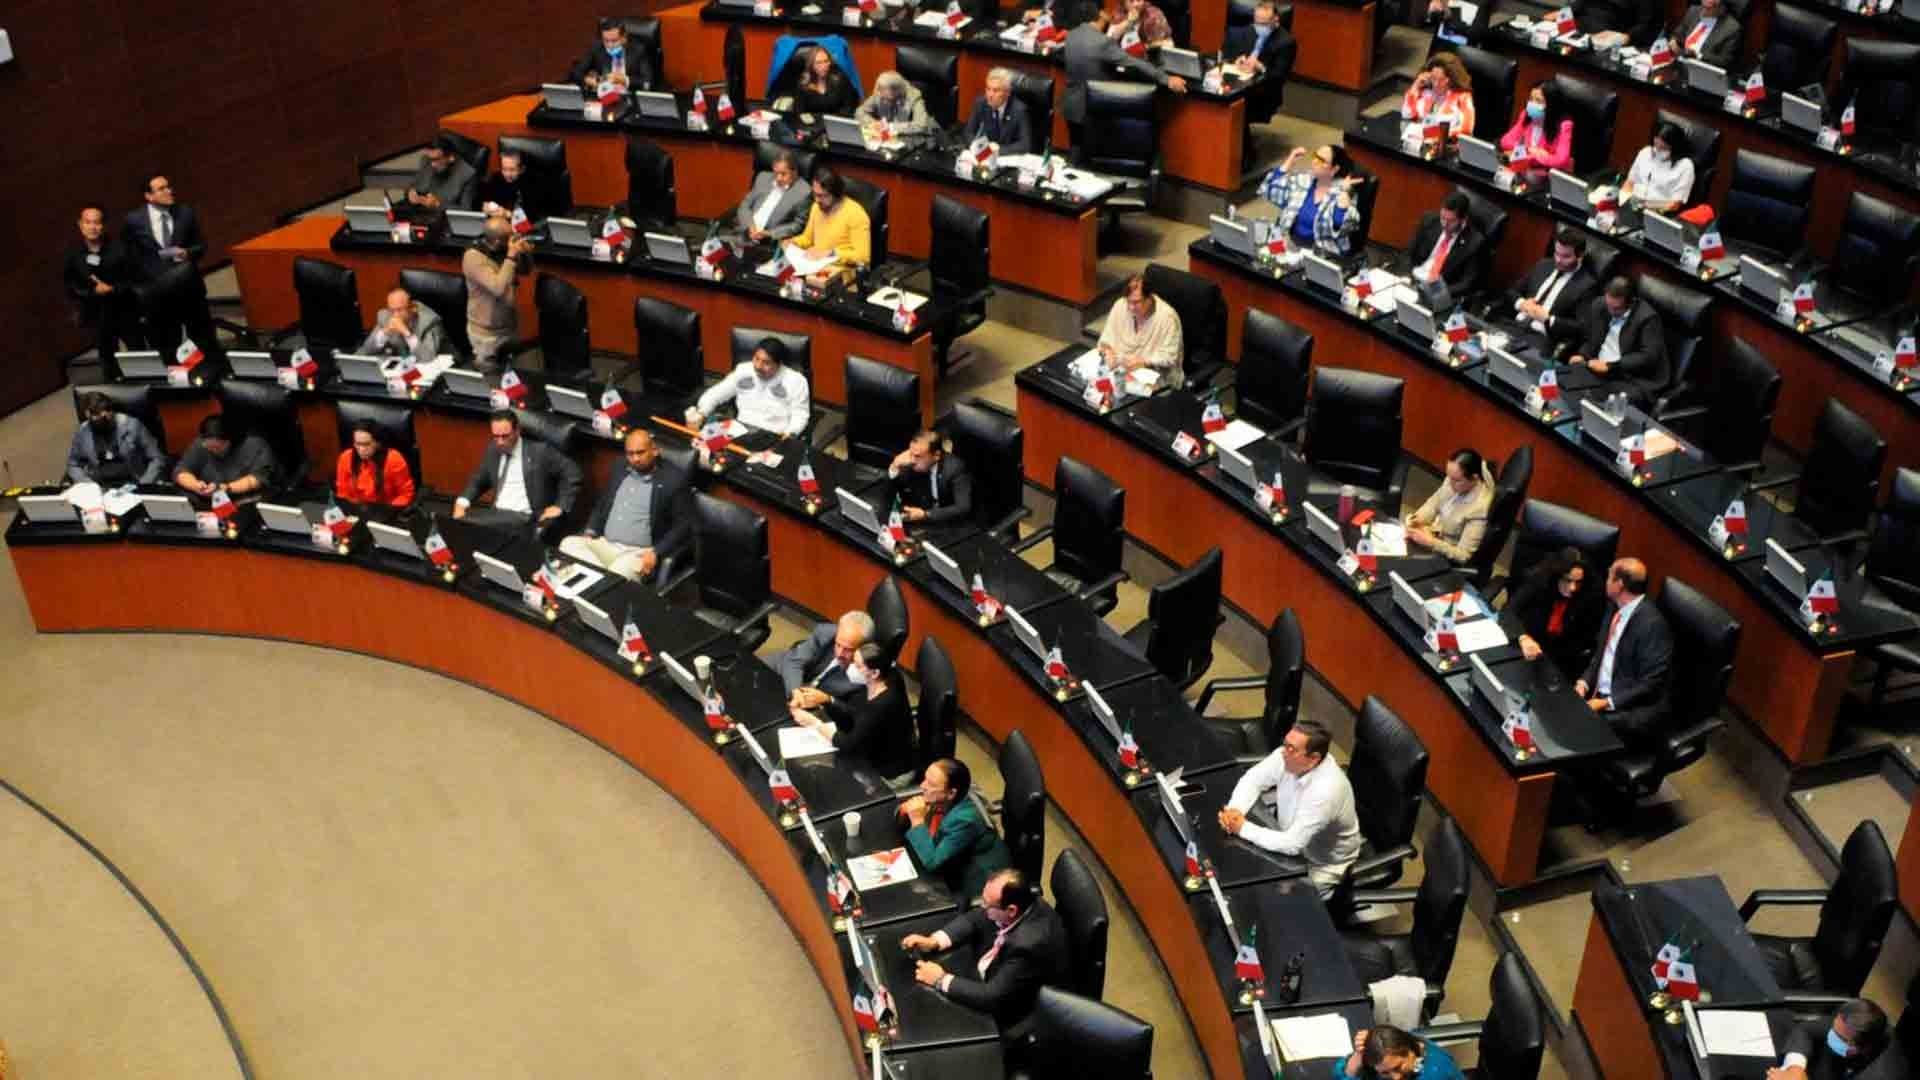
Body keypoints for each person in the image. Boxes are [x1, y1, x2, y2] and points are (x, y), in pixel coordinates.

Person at [901, 867, 1068, 1033]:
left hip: (1017, 1011)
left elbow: (992, 996)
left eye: (987, 905)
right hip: (993, 971)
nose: (982, 906)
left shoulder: (1029, 945)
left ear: (1011, 910)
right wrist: (934, 941)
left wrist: (940, 980)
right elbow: (975, 918)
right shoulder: (1024, 902)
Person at [1218, 720, 1363, 896]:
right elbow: (1253, 779)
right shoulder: (1286, 756)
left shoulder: (1326, 791)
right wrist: (1235, 811)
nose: (1283, 752)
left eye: (1292, 749)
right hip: (1287, 839)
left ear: (1313, 758)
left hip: (1319, 864)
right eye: (1285, 744)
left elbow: (1293, 844)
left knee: (1279, 899)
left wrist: (1242, 828)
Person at [559, 429, 690, 583]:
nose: (635, 459)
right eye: (630, 453)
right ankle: (601, 580)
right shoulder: (619, 467)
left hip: (637, 554)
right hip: (605, 544)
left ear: (654, 451)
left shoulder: (673, 479)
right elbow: (602, 503)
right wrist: (590, 530)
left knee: (615, 572)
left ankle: (597, 581)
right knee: (569, 544)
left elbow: (684, 525)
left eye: (640, 453)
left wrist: (656, 552)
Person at [1575, 558, 1674, 750]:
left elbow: (1650, 684)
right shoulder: (1615, 606)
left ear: (1619, 584)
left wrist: (1605, 703)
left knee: (1576, 733)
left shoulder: (1652, 626)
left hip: (1629, 710)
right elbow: (1602, 653)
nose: (1606, 580)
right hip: (1600, 695)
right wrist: (1584, 681)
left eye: (1609, 575)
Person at [1063, 9, 1187, 150]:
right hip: (1093, 111)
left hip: (1071, 108)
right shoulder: (1102, 43)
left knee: (1076, 150)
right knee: (1096, 155)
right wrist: (1167, 79)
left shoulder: (1072, 35)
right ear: (1101, 14)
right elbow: (1135, 63)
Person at [790, 643, 915, 777]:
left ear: (874, 673)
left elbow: (848, 745)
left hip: (887, 771)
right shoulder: (888, 675)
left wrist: (814, 723)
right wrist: (827, 699)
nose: (851, 668)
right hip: (874, 746)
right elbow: (857, 713)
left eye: (857, 666)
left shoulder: (880, 705)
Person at [453, 410, 583, 529]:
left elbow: (573, 473)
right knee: (451, 524)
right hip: (497, 514)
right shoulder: (493, 449)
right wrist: (462, 503)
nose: (500, 442)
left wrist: (560, 506)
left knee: (466, 527)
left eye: (505, 436)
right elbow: (479, 480)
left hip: (525, 517)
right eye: (496, 436)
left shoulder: (539, 451)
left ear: (517, 431)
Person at [1498, 547, 1604, 680]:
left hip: (1559, 659)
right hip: (1525, 645)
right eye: (1567, 580)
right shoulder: (1539, 580)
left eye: (1578, 582)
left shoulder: (1589, 595)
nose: (1573, 588)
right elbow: (1508, 612)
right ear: (1557, 575)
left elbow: (1585, 640)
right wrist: (1523, 638)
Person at [1565, 276, 1669, 407]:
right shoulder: (1600, 305)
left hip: (1629, 378)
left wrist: (1611, 366)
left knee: (1603, 404)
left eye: (1616, 308)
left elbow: (1648, 357)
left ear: (1631, 303)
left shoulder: (1648, 319)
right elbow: (1592, 338)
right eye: (1609, 305)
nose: (1610, 311)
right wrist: (1582, 355)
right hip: (1597, 368)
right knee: (1567, 383)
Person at [64, 205, 143, 364]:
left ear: (103, 226)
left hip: (125, 310)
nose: (92, 227)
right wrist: (93, 292)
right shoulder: (72, 255)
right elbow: (71, 286)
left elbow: (136, 278)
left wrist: (113, 289)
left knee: (139, 353)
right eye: (88, 222)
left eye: (97, 223)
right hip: (98, 315)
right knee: (107, 358)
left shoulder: (121, 249)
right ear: (80, 224)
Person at [687, 337, 811, 436]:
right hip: (739, 427)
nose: (758, 366)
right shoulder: (743, 370)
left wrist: (788, 435)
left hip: (773, 435)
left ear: (779, 364)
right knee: (702, 444)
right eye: (756, 359)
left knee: (752, 466)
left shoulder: (796, 381)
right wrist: (701, 413)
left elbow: (800, 415)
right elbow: (716, 393)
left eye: (766, 362)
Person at [1260, 144, 1365, 257]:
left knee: (1290, 269)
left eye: (1321, 160)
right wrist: (1290, 161)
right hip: (1289, 244)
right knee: (1263, 258)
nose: (1315, 161)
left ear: (1334, 169)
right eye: (1315, 156)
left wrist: (1344, 195)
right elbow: (1268, 189)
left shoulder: (1342, 192)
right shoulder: (1304, 180)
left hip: (1320, 254)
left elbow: (1341, 225)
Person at [464, 217, 535, 373]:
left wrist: (524, 253)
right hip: (486, 335)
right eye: (508, 237)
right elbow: (498, 288)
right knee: (491, 381)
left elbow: (526, 271)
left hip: (508, 327)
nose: (512, 240)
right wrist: (510, 256)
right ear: (497, 242)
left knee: (513, 376)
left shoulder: (502, 248)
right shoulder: (473, 257)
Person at [1505, 228, 1600, 339]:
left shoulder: (1587, 285)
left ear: (1580, 255)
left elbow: (1581, 328)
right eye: (1557, 253)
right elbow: (1512, 291)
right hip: (1513, 326)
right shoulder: (1544, 264)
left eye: (1566, 256)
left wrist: (1549, 319)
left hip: (1540, 339)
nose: (1558, 260)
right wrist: (1523, 304)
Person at [1097, 274, 1185, 390]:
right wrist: (1109, 352)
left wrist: (1145, 362)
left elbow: (1169, 357)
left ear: (1149, 297)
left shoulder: (1167, 318)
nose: (1131, 307)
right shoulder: (1120, 305)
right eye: (1129, 301)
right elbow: (1106, 339)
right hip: (1120, 370)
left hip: (1155, 377)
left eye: (1137, 302)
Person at [1405, 448, 1494, 564]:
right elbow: (1434, 504)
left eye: (1456, 480)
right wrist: (1417, 519)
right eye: (1448, 476)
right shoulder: (1453, 478)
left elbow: (1463, 555)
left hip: (1445, 555)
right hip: (1433, 533)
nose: (1449, 483)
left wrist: (1431, 542)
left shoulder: (1479, 509)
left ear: (1474, 478)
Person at [1768, 998, 1890, 1080]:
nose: (1831, 1035)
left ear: (1864, 1048)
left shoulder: (1878, 1073)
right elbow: (1805, 1029)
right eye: (1833, 1029)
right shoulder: (1845, 1023)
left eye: (1840, 1038)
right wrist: (1795, 1068)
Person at [787, 167, 871, 284]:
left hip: (841, 275)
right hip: (814, 266)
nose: (816, 200)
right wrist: (793, 242)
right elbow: (807, 238)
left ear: (835, 194)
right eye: (814, 194)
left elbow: (863, 257)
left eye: (821, 196)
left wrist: (831, 253)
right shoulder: (817, 207)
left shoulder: (856, 214)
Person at [779, 610, 876, 706]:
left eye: (848, 649)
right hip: (789, 677)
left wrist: (827, 699)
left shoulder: (868, 671)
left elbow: (855, 710)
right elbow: (794, 661)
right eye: (838, 644)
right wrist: (795, 691)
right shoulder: (824, 633)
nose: (839, 653)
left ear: (864, 647)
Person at [66, 392, 164, 486]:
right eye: (96, 418)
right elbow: (73, 464)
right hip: (100, 484)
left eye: (107, 416)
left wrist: (144, 484)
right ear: (88, 416)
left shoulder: (132, 425)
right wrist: (87, 485)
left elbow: (156, 458)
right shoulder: (83, 432)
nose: (104, 420)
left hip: (132, 482)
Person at [122, 175, 207, 282]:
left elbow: (201, 245)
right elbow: (130, 256)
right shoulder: (134, 220)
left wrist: (187, 252)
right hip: (156, 286)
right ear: (149, 196)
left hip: (188, 281)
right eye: (161, 189)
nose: (169, 191)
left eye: (168, 187)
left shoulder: (185, 213)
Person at [174, 415, 278, 502]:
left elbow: (258, 478)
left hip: (245, 499)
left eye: (218, 447)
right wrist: (196, 486)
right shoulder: (201, 444)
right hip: (211, 500)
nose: (213, 450)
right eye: (209, 447)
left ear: (230, 440)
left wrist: (227, 488)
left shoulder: (255, 446)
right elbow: (181, 471)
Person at [1408, 191, 1490, 296]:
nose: (1444, 225)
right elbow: (1410, 253)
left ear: (1463, 219)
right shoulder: (1429, 220)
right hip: (1415, 279)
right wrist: (1408, 275)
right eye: (1443, 218)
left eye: (1451, 221)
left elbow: (1467, 284)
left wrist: (1437, 293)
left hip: (1440, 292)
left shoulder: (1476, 243)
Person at [1497, 82, 1574, 189]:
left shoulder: (1564, 125)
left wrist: (1531, 155)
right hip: (1524, 170)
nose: (1532, 104)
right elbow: (1505, 141)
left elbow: (1561, 160)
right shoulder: (1526, 115)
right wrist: (1531, 150)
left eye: (1538, 101)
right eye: (1530, 99)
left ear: (1551, 104)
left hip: (1547, 178)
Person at [889, 429, 974, 526]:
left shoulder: (955, 468)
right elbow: (893, 493)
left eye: (917, 456)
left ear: (936, 455)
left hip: (951, 524)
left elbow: (962, 508)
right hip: (921, 522)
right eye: (910, 454)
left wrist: (926, 515)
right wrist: (894, 466)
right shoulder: (910, 464)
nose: (912, 460)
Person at [732, 148, 812, 249]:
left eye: (783, 174)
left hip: (769, 243)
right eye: (776, 173)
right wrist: (749, 225)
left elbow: (798, 225)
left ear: (795, 172)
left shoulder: (804, 192)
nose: (778, 178)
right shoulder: (763, 177)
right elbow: (745, 205)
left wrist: (769, 234)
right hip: (744, 232)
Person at [333, 420, 416, 509]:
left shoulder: (394, 460)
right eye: (357, 444)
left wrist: (389, 511)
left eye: (367, 444)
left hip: (387, 511)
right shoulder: (345, 458)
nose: (361, 449)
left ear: (378, 443)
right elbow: (342, 492)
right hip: (355, 511)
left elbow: (406, 494)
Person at [1337, 1025, 1468, 1080]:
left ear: (1411, 1051)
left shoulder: (1436, 1073)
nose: (1395, 1078)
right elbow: (1341, 1073)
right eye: (1385, 1073)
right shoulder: (1395, 1048)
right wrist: (1359, 1055)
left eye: (1398, 1067)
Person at [359, 287, 447, 366]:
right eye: (391, 310)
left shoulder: (429, 321)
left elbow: (427, 358)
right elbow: (367, 349)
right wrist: (384, 333)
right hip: (405, 365)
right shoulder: (385, 316)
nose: (395, 315)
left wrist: (407, 333)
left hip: (442, 372)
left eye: (400, 310)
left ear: (413, 308)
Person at [1619, 123, 1696, 213]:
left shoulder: (1685, 166)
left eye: (1663, 148)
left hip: (1656, 212)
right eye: (1656, 144)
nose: (1657, 149)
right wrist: (1623, 200)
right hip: (1631, 204)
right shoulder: (1646, 152)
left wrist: (1644, 205)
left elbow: (1675, 204)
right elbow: (1629, 182)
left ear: (1675, 147)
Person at [569, 17, 654, 94]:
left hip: (629, 98)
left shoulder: (638, 50)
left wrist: (624, 80)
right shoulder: (597, 48)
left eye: (614, 41)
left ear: (624, 38)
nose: (610, 45)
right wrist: (589, 80)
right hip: (604, 97)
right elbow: (576, 72)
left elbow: (648, 82)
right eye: (606, 40)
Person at [1401, 53, 1476, 138]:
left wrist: (1431, 134)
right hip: (1418, 140)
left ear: (1451, 79)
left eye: (1442, 80)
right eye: (1433, 78)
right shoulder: (1425, 88)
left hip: (1446, 145)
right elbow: (1407, 114)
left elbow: (1467, 130)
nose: (1436, 84)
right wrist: (1415, 86)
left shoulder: (1463, 96)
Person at [962, 69, 1035, 155]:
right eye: (988, 89)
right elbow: (968, 132)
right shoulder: (980, 103)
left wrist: (995, 151)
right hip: (985, 157)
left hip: (1007, 158)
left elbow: (1024, 145)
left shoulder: (1019, 110)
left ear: (1007, 92)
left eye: (996, 90)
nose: (990, 95)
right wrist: (979, 148)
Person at [406, 136, 478, 214]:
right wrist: (410, 193)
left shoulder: (468, 174)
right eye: (429, 159)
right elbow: (413, 185)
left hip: (445, 217)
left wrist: (437, 204)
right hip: (421, 212)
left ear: (451, 157)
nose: (432, 165)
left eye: (436, 159)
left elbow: (466, 210)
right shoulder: (427, 160)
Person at [856, 71, 934, 137]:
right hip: (891, 138)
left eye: (889, 99)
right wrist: (874, 124)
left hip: (921, 139)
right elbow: (860, 112)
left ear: (899, 92)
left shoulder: (914, 97)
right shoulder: (880, 93)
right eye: (883, 98)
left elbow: (921, 125)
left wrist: (891, 127)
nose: (884, 101)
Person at [792, 45, 859, 116]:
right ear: (811, 65)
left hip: (836, 122)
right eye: (818, 63)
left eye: (826, 61)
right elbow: (799, 111)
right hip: (812, 124)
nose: (823, 66)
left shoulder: (840, 79)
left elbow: (849, 107)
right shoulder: (804, 83)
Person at [1674, 0, 1741, 68]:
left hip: (1698, 67)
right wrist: (1673, 41)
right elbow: (1678, 33)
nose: (1702, 12)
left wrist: (1698, 55)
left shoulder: (1732, 28)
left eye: (1708, 8)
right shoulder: (1694, 10)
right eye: (1703, 6)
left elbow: (1724, 60)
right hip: (1677, 60)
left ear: (1722, 7)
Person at [1573, 0, 1662, 46]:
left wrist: (1628, 36)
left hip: (1609, 42)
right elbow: (1579, 4)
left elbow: (1648, 24)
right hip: (1578, 35)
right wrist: (1565, 13)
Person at [477, 150, 530, 219]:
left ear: (522, 169)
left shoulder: (529, 186)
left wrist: (507, 214)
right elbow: (478, 203)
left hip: (517, 226)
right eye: (504, 169)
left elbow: (526, 224)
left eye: (512, 170)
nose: (507, 174)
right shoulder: (494, 179)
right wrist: (483, 207)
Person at [1107, 0, 1174, 50]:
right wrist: (1128, 21)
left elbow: (1169, 44)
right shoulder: (1120, 12)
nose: (1136, 4)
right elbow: (1109, 39)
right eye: (1131, 1)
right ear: (1124, 2)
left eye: (1139, 0)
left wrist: (1143, 48)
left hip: (1147, 61)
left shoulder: (1153, 14)